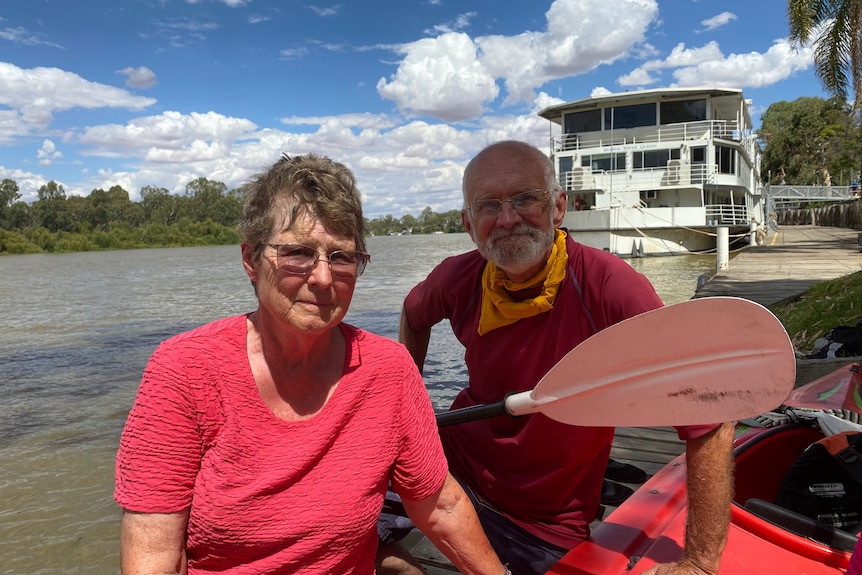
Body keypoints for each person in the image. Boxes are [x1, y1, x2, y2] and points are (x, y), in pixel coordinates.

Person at [114, 153, 507, 575]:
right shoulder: (184, 370)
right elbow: (155, 552)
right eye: (298, 252)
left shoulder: (388, 369)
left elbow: (439, 504)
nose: (323, 277)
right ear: (250, 259)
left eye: (341, 257)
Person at [377, 141, 735, 575]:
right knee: (340, 510)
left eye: (525, 198)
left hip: (545, 517)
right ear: (469, 225)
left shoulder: (609, 287)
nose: (507, 219)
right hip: (451, 469)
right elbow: (414, 316)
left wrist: (699, 561)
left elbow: (709, 412)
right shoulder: (457, 277)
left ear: (559, 207)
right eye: (489, 206)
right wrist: (407, 411)